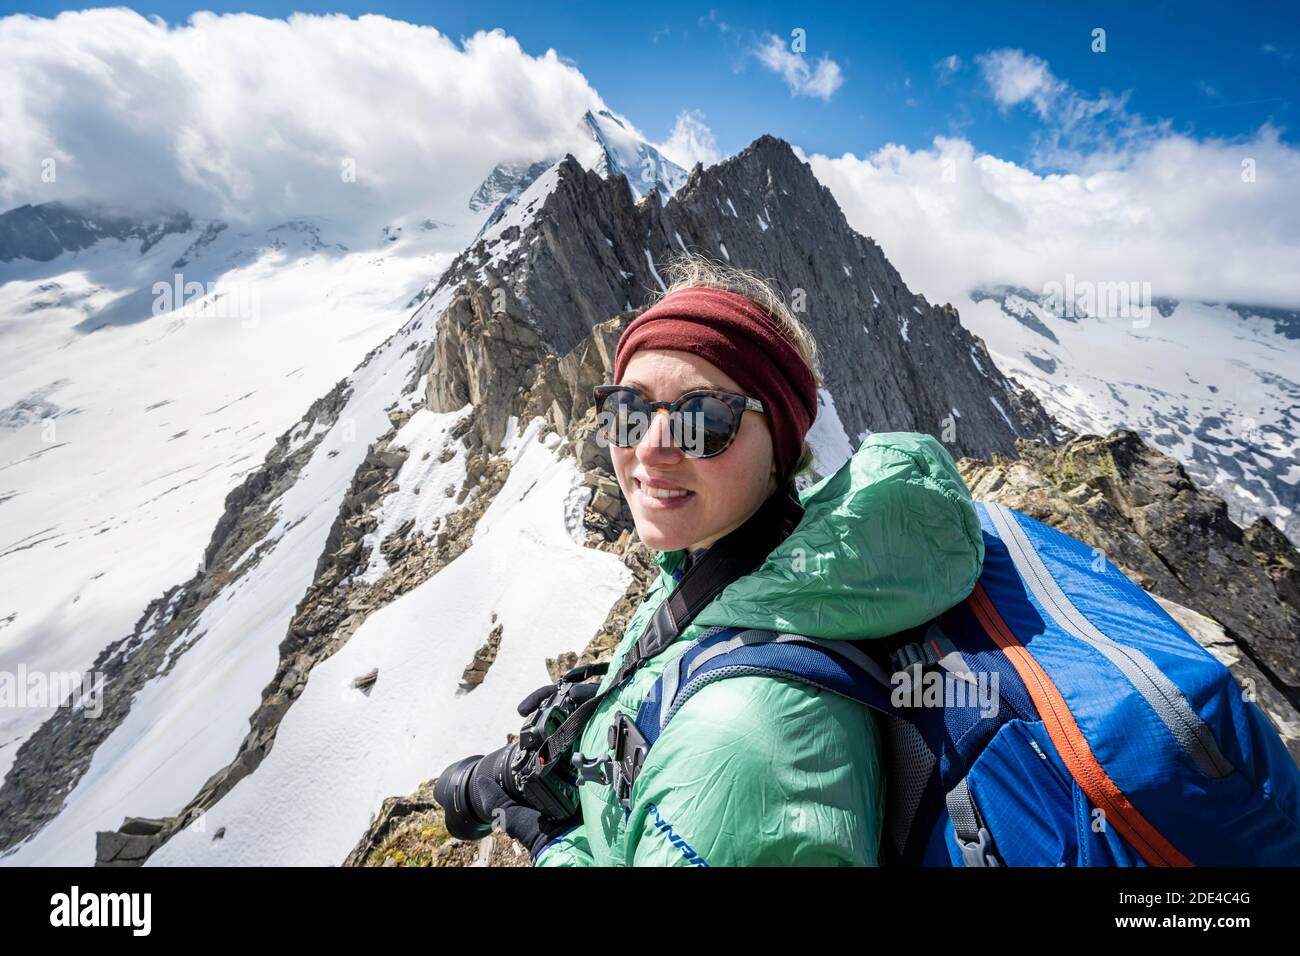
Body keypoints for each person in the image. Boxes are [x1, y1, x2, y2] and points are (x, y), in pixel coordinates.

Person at [489, 255, 985, 866]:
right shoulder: (728, 570)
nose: (652, 448)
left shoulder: (752, 742)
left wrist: (551, 846)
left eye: (704, 420)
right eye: (629, 409)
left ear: (779, 452)